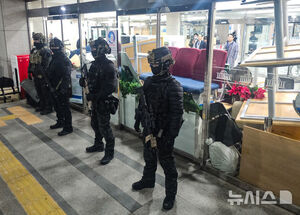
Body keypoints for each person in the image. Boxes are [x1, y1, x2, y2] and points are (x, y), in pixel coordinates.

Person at [132, 47, 184, 210]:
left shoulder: (174, 86)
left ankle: (170, 194)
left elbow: (177, 116)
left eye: (155, 63)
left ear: (165, 63)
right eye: (151, 63)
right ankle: (148, 180)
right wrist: (140, 121)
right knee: (149, 156)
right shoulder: (148, 82)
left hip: (164, 132)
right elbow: (143, 105)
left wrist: (169, 136)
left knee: (167, 163)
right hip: (149, 128)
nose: (153, 66)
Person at [79, 37, 118, 165]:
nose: (93, 51)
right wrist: (83, 82)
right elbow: (91, 80)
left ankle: (109, 152)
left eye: (95, 48)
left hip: (104, 102)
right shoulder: (95, 64)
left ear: (101, 49)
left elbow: (111, 87)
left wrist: (94, 97)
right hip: (95, 101)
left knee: (105, 128)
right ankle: (98, 144)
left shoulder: (109, 66)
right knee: (95, 124)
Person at [47, 38, 73, 136]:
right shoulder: (54, 58)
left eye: (55, 46)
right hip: (53, 87)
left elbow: (66, 75)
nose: (53, 48)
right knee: (57, 106)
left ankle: (68, 127)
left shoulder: (64, 59)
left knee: (65, 108)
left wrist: (63, 89)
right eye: (52, 46)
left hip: (62, 89)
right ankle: (60, 121)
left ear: (60, 47)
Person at [28, 33, 53, 115]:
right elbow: (31, 61)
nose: (35, 41)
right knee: (39, 91)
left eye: (37, 40)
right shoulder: (34, 50)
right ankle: (42, 105)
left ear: (41, 40)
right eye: (34, 40)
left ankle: (48, 107)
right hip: (36, 74)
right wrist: (29, 71)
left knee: (45, 92)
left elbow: (47, 64)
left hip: (43, 75)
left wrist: (45, 75)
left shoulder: (46, 50)